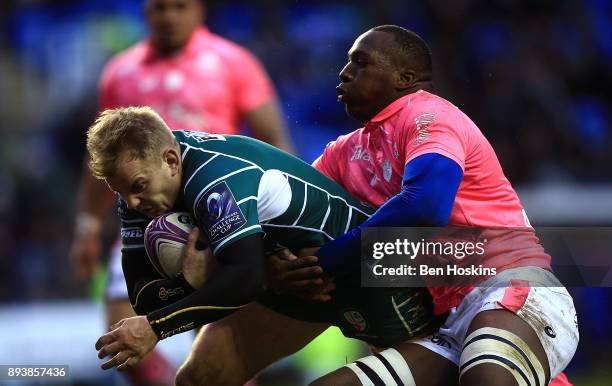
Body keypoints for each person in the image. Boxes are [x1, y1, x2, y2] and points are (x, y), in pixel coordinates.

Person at [274, 25, 577, 386]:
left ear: (405, 77)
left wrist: (326, 262)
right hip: (448, 322)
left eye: (361, 62)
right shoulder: (343, 152)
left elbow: (424, 206)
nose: (344, 72)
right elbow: (296, 213)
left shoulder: (430, 117)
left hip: (512, 287)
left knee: (486, 377)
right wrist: (279, 265)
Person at [88, 107, 435, 385]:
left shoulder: (215, 179)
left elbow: (245, 280)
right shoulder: (137, 196)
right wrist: (189, 284)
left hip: (364, 270)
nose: (132, 204)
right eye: (122, 193)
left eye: (137, 187)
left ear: (171, 160)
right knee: (202, 377)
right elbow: (142, 296)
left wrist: (158, 327)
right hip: (290, 285)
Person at [68, 0, 292, 384]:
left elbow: (273, 139)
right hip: (143, 213)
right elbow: (103, 156)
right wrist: (87, 225)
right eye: (159, 8)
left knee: (220, 343)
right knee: (120, 339)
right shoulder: (120, 71)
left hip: (215, 212)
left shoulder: (234, 62)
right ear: (145, 14)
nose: (169, 16)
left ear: (199, 9)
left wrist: (277, 222)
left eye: (179, 6)